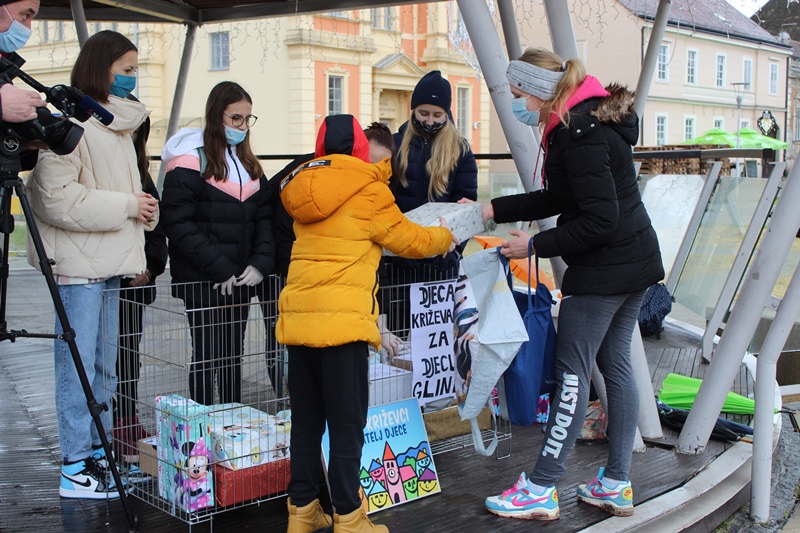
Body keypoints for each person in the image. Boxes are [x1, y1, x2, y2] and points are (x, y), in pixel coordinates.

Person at [478, 48, 665, 521]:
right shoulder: (583, 120)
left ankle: (542, 487)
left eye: (519, 94)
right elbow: (561, 196)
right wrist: (493, 209)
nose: (518, 104)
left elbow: (600, 220)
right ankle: (616, 483)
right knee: (615, 365)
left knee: (572, 374)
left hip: (606, 270)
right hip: (633, 263)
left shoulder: (578, 133)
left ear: (539, 90)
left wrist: (535, 246)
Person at [279, 114, 457, 533]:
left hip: (300, 324)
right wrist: (446, 235)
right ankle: (349, 517)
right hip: (343, 328)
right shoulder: (369, 190)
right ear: (361, 148)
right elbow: (411, 239)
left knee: (306, 423)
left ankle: (302, 512)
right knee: (347, 426)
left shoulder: (303, 189)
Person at [26, 30, 158, 499]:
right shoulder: (71, 127)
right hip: (79, 268)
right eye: (126, 70)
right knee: (78, 365)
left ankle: (98, 454)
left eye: (135, 69)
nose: (132, 78)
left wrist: (141, 208)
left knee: (103, 367)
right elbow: (53, 199)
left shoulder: (116, 128)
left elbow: (116, 192)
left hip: (109, 264)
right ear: (101, 69)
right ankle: (75, 464)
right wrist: (127, 206)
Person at [160, 81, 274, 407]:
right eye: (235, 118)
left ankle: (231, 417)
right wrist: (219, 267)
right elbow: (177, 222)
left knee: (232, 356)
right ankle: (203, 422)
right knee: (207, 354)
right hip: (203, 279)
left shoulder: (250, 166)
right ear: (216, 115)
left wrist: (260, 263)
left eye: (248, 119)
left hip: (239, 279)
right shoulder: (189, 160)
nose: (242, 126)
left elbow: (265, 219)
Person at [381, 70, 478, 333]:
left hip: (439, 263)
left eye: (437, 115)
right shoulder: (395, 145)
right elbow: (382, 201)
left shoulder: (460, 150)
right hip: (397, 260)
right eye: (423, 113)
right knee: (398, 333)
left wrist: (452, 250)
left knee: (434, 338)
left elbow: (465, 207)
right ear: (413, 110)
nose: (430, 120)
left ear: (447, 113)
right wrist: (396, 248)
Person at [113, 99, 168, 462]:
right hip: (109, 277)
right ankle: (111, 422)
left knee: (129, 357)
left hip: (137, 283)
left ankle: (126, 418)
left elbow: (156, 231)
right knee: (105, 357)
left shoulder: (142, 171)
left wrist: (150, 268)